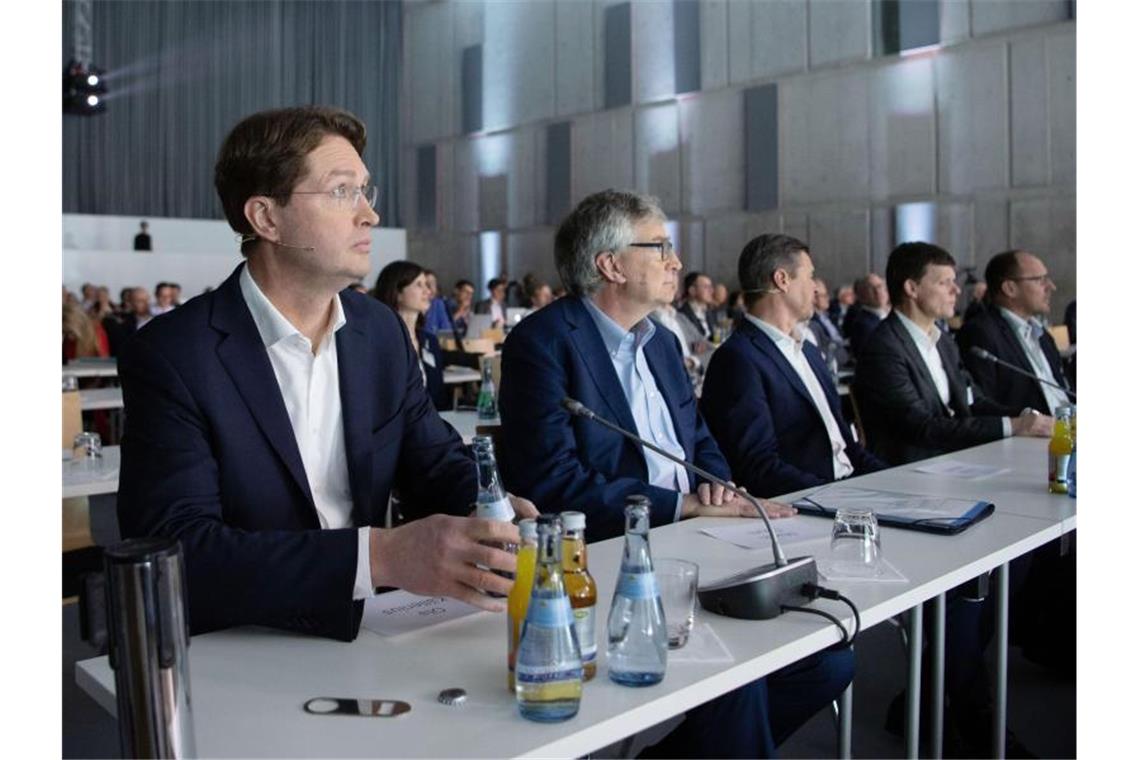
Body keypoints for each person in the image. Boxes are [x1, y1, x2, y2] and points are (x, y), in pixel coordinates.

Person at [116, 105, 534, 642]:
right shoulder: (175, 353)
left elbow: (432, 462)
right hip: (245, 642)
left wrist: (491, 511)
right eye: (341, 192)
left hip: (372, 630)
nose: (369, 215)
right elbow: (178, 550)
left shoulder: (378, 332)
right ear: (266, 218)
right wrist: (377, 556)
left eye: (365, 191)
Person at [498, 189, 852, 758]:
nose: (676, 262)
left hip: (701, 539)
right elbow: (554, 484)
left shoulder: (661, 340)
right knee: (739, 688)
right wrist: (681, 505)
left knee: (832, 658)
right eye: (660, 246)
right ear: (610, 264)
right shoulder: (541, 344)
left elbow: (699, 438)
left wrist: (715, 483)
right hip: (620, 556)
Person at [701, 235, 884, 496]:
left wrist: (892, 480)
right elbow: (758, 466)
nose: (817, 289)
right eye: (810, 277)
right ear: (782, 280)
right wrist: (837, 497)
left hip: (848, 489)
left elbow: (848, 447)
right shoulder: (738, 359)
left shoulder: (809, 352)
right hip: (809, 504)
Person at [854, 242, 1053, 466]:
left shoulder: (944, 342)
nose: (956, 290)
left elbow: (973, 401)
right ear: (912, 288)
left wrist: (1028, 416)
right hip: (912, 472)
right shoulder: (884, 348)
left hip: (957, 462)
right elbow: (922, 427)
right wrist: (1014, 426)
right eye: (944, 283)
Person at [956, 250, 1072, 415]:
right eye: (1040, 280)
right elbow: (982, 405)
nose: (1051, 287)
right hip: (1032, 436)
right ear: (1010, 288)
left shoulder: (1043, 336)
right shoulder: (980, 334)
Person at [373, 260, 449, 410]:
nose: (428, 291)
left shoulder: (429, 341)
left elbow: (438, 397)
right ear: (398, 293)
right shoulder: (378, 342)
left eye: (427, 285)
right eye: (419, 285)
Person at [842, 273, 889, 359]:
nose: (878, 291)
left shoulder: (886, 315)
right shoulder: (862, 325)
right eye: (871, 288)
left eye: (880, 286)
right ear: (861, 295)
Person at [807, 276, 849, 369]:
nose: (828, 298)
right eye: (824, 295)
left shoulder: (827, 316)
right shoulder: (812, 323)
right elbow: (827, 350)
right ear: (813, 297)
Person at [677, 270, 715, 340]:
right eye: (706, 287)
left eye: (711, 287)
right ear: (692, 290)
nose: (711, 291)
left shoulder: (709, 312)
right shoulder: (682, 314)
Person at [421, 269, 452, 335]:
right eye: (426, 284)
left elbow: (446, 330)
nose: (431, 287)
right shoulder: (415, 304)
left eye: (433, 283)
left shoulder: (438, 303)